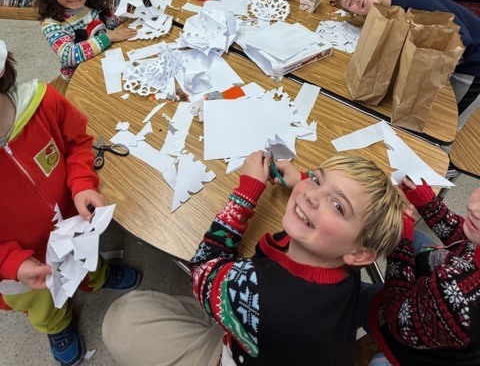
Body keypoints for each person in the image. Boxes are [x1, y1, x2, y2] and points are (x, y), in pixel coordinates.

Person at [102, 151, 405, 366]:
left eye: (337, 206)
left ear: (361, 252)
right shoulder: (344, 260)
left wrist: (247, 191)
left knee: (123, 316)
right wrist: (303, 181)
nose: (311, 194)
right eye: (316, 179)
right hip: (285, 342)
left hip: (247, 343)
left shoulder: (259, 293)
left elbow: (204, 268)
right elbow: (329, 203)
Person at [0, 42, 140, 366]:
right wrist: (11, 263)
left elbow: (77, 142)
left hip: (74, 225)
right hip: (20, 262)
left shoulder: (43, 102)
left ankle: (98, 276)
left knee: (86, 259)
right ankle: (57, 325)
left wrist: (81, 184)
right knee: (43, 301)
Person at [332, 0, 480, 127]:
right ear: (355, 14)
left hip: (472, 64)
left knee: (447, 122)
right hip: (460, 60)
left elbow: (462, 37)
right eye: (350, 3)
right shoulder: (391, 10)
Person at [367, 176, 480, 365]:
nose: (474, 209)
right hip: (435, 285)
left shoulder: (460, 295)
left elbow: (397, 319)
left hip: (403, 340)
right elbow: (465, 240)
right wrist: (427, 201)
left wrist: (401, 245)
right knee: (416, 236)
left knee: (351, 294)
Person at [37, 0, 137, 81]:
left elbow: (111, 25)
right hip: (79, 74)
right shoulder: (51, 23)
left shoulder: (90, 6)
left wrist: (125, 2)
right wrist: (109, 37)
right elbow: (69, 56)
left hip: (105, 57)